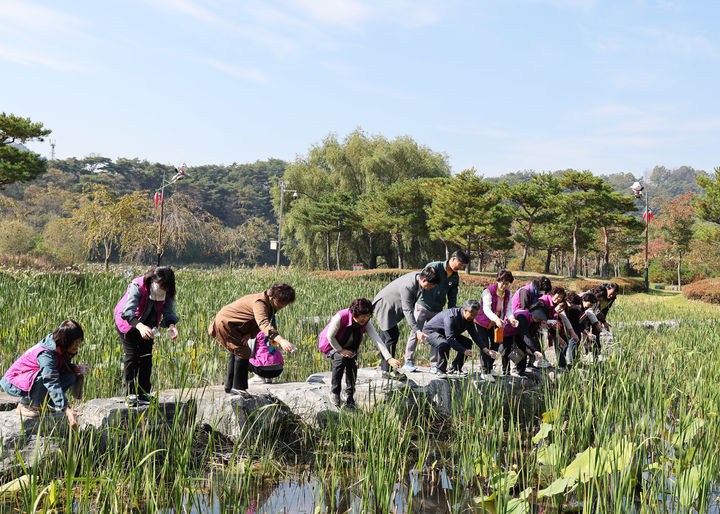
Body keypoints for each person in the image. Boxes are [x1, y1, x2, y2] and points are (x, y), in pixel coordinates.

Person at [209, 283, 296, 397]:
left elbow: (254, 320)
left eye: (286, 304)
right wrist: (281, 340)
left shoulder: (269, 302)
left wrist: (249, 334)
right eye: (281, 303)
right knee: (244, 352)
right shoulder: (260, 302)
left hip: (236, 326)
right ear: (273, 298)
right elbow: (263, 323)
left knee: (237, 351)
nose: (283, 306)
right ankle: (238, 388)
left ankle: (229, 387)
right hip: (226, 323)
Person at [1, 320, 88, 428]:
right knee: (44, 377)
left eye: (79, 341)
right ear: (65, 341)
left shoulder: (61, 347)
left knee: (70, 376)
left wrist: (74, 368)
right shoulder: (46, 354)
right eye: (75, 342)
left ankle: (40, 403)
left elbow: (57, 367)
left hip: (29, 378)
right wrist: (66, 409)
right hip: (14, 381)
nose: (77, 345)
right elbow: (51, 381)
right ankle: (25, 404)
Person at [318, 298, 401, 409]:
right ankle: (334, 392)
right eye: (363, 316)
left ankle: (349, 394)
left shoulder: (366, 322)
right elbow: (330, 336)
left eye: (368, 316)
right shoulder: (341, 316)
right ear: (354, 313)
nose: (365, 319)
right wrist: (340, 350)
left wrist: (389, 358)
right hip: (331, 345)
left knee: (351, 363)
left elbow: (377, 340)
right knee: (341, 359)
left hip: (348, 346)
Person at [114, 267, 179, 407]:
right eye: (160, 286)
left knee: (146, 357)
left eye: (165, 287)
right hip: (128, 323)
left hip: (149, 326)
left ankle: (144, 392)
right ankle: (130, 394)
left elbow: (168, 311)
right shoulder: (137, 286)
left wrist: (171, 325)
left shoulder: (168, 292)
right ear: (152, 280)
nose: (162, 290)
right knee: (132, 357)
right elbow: (128, 312)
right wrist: (140, 326)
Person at [403, 250, 469, 373]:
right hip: (423, 305)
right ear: (453, 259)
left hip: (438, 309)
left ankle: (434, 364)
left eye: (463, 266)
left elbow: (452, 295)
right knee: (415, 332)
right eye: (460, 264)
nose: (461, 267)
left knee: (436, 336)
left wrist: (450, 311)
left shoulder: (455, 276)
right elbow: (421, 281)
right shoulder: (435, 266)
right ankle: (408, 361)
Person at [372, 267, 440, 380]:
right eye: (430, 286)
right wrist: (417, 331)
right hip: (385, 306)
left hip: (390, 306)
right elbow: (407, 310)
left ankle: (387, 368)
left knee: (389, 337)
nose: (430, 288)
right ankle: (386, 370)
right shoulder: (408, 286)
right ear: (424, 280)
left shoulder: (418, 278)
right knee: (391, 337)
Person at [420, 299, 493, 379]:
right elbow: (450, 339)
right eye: (472, 315)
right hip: (430, 332)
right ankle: (440, 370)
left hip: (445, 333)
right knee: (444, 344)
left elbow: (475, 335)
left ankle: (455, 368)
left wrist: (485, 349)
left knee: (467, 342)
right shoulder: (451, 317)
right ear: (465, 311)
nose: (473, 317)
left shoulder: (470, 320)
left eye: (476, 315)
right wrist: (464, 350)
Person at [474, 269, 518, 382]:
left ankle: (489, 367)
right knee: (484, 345)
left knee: (495, 345)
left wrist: (512, 318)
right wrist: (496, 319)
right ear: (498, 280)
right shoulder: (488, 291)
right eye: (503, 283)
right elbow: (486, 309)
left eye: (507, 284)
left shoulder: (508, 293)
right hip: (482, 322)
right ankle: (485, 372)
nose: (504, 286)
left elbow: (508, 310)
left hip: (496, 323)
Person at [501, 306, 548, 378]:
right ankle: (506, 372)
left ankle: (521, 372)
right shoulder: (522, 316)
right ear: (532, 313)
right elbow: (525, 335)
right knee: (506, 350)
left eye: (539, 318)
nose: (537, 319)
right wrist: (534, 350)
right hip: (507, 331)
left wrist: (528, 347)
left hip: (518, 332)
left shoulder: (535, 322)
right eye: (536, 316)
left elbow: (530, 334)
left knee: (522, 349)